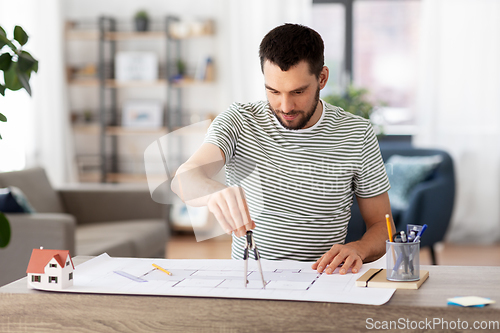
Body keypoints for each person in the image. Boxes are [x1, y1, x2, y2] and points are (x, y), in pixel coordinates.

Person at [171, 23, 394, 275]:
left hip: (325, 280)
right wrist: (213, 193)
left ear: (322, 78)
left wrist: (359, 249)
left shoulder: (357, 134)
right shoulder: (239, 121)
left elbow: (382, 225)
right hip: (251, 279)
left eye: (298, 91)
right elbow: (184, 179)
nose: (285, 106)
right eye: (273, 91)